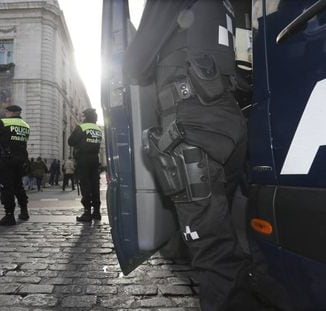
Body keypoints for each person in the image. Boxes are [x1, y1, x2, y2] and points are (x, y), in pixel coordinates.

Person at [122, 1, 286, 310]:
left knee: (212, 249)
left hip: (193, 125)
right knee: (227, 232)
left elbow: (136, 64)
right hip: (230, 120)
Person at [0, 104, 30, 226]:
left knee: (6, 187)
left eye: (6, 112)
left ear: (11, 113)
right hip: (21, 159)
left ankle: (9, 216)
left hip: (7, 159)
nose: (5, 114)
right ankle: (24, 211)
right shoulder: (25, 125)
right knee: (18, 186)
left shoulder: (4, 122)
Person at [68, 108, 103, 222]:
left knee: (85, 185)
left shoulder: (82, 127)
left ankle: (87, 212)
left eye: (83, 116)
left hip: (84, 159)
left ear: (86, 117)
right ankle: (96, 212)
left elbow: (70, 141)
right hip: (95, 159)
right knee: (95, 185)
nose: (81, 118)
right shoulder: (98, 129)